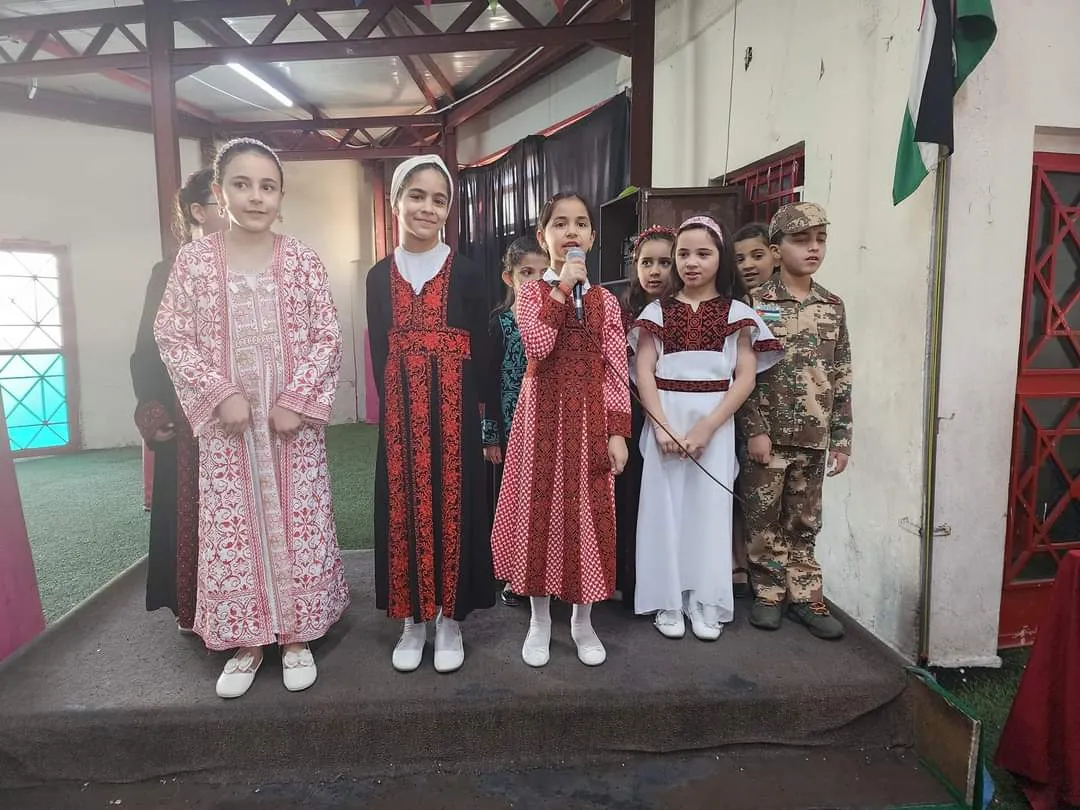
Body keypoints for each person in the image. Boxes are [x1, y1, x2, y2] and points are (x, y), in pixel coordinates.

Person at [154, 138, 350, 698]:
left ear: (281, 197)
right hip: (230, 430)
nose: (256, 197)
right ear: (220, 193)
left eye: (268, 186)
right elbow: (172, 335)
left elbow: (327, 337)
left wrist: (296, 400)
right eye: (242, 184)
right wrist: (219, 394)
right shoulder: (194, 264)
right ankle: (246, 642)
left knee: (297, 521)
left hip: (292, 429)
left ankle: (296, 636)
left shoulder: (303, 261)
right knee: (234, 528)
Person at [490, 192, 631, 668]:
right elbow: (537, 346)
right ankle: (539, 620)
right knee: (539, 515)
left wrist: (617, 431)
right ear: (543, 235)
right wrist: (561, 289)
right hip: (541, 422)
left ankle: (582, 621)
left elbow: (616, 369)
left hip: (590, 422)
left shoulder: (605, 301)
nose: (571, 231)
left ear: (592, 236)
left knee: (587, 517)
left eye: (581, 223)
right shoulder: (532, 292)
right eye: (560, 223)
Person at [366, 155, 494, 675]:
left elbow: (483, 352)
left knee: (455, 510)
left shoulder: (468, 272)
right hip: (401, 423)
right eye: (416, 196)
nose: (427, 208)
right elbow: (379, 353)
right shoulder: (378, 277)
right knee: (404, 511)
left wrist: (485, 424)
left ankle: (450, 619)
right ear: (396, 202)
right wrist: (396, 415)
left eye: (439, 200)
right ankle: (412, 619)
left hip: (457, 420)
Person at [631, 216, 782, 640]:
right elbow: (643, 372)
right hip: (665, 419)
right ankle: (667, 599)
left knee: (709, 511)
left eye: (703, 253)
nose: (691, 262)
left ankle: (704, 599)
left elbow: (745, 378)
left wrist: (708, 428)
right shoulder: (656, 312)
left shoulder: (739, 314)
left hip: (714, 423)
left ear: (721, 257)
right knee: (664, 508)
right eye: (683, 254)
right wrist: (661, 427)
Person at [737, 202, 852, 640]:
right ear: (776, 249)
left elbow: (842, 375)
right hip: (768, 437)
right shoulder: (754, 304)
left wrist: (841, 439)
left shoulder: (833, 306)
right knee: (762, 519)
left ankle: (806, 596)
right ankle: (768, 592)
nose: (813, 248)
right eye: (801, 240)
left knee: (804, 522)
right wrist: (754, 430)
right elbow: (741, 375)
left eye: (820, 240)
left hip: (813, 436)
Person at [131, 168, 226, 634]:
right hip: (188, 415)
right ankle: (195, 608)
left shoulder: (254, 268)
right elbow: (148, 348)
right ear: (197, 211)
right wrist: (153, 408)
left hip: (242, 413)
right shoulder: (168, 272)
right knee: (191, 509)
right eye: (224, 199)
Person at [482, 236, 548, 608]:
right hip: (510, 429)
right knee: (513, 505)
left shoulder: (557, 319)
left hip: (547, 426)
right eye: (527, 273)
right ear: (509, 277)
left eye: (542, 272)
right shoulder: (501, 323)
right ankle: (512, 574)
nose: (536, 281)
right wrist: (491, 435)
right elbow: (490, 382)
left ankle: (543, 573)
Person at [614, 225, 676, 609]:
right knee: (633, 496)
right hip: (633, 410)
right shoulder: (622, 312)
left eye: (664, 262)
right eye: (646, 262)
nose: (655, 271)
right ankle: (632, 581)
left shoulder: (687, 309)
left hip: (680, 411)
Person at [729, 222, 778, 598]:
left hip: (788, 425)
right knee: (737, 497)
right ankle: (738, 564)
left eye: (756, 255)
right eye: (739, 258)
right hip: (740, 420)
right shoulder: (734, 307)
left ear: (774, 255)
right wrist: (754, 427)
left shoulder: (781, 303)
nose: (748, 265)